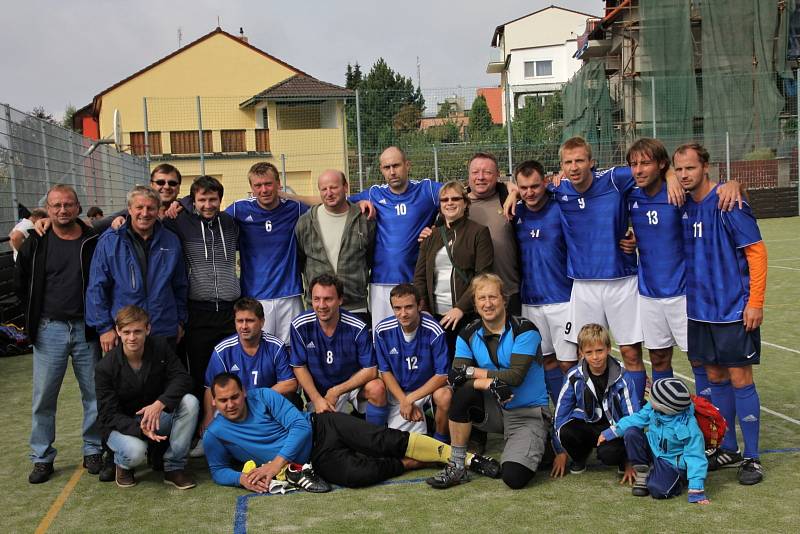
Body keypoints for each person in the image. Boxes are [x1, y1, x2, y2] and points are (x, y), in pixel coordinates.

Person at [203, 372, 500, 490]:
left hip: (322, 427)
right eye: (223, 400)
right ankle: (416, 462)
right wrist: (241, 478)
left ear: (243, 392)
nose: (230, 404)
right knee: (357, 476)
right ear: (214, 401)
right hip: (314, 461)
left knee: (384, 439)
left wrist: (275, 464)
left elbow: (298, 427)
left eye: (235, 396)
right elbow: (217, 469)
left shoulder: (263, 396)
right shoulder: (215, 433)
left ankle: (470, 459)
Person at [675, 143, 767, 485]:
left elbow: (757, 254)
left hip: (732, 310)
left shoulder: (730, 202)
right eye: (679, 169)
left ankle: (753, 457)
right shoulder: (683, 202)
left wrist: (755, 301)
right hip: (699, 311)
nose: (685, 174)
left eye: (691, 168)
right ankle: (727, 447)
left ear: (706, 168)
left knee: (741, 378)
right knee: (714, 378)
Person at [624, 138, 741, 399]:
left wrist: (734, 184)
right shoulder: (630, 194)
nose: (639, 170)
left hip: (684, 293)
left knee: (699, 360)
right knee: (658, 358)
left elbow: (714, 192)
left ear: (662, 164)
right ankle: (666, 415)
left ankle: (707, 420)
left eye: (646, 163)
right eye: (634, 164)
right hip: (649, 294)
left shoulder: (679, 195)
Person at [14, 184, 103, 484]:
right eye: (56, 206)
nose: (62, 210)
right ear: (48, 210)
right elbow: (21, 282)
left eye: (68, 205)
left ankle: (93, 449)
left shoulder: (93, 239)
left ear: (78, 207)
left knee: (93, 394)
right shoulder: (36, 242)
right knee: (44, 398)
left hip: (86, 329)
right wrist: (32, 318)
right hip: (48, 328)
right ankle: (42, 457)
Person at [428, 273, 550, 490]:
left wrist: (473, 371)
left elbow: (515, 377)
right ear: (474, 304)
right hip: (495, 409)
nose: (487, 303)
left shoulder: (525, 329)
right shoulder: (467, 332)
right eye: (481, 298)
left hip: (526, 413)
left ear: (504, 299)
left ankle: (542, 443)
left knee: (513, 477)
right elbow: (455, 376)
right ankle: (457, 465)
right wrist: (487, 383)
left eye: (493, 297)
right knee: (462, 393)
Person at [162, 175, 239, 456]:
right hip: (199, 308)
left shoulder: (231, 223)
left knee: (231, 371)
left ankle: (233, 430)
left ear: (220, 199)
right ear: (193, 201)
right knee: (199, 373)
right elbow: (153, 212)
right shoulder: (180, 221)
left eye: (213, 199)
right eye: (202, 200)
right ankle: (199, 434)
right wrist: (179, 203)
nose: (208, 205)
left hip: (229, 308)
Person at [94, 306, 198, 489]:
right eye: (126, 332)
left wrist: (160, 403)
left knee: (190, 402)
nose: (132, 337)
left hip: (154, 417)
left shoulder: (160, 347)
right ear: (118, 331)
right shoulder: (105, 367)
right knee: (136, 451)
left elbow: (183, 378)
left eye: (137, 331)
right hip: (120, 425)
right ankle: (122, 464)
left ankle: (174, 467)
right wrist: (140, 429)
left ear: (147, 329)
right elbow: (108, 415)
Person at [349, 146, 442, 331]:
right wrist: (357, 202)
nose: (392, 171)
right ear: (381, 170)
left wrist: (508, 188)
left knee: (417, 339)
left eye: (396, 165)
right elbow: (333, 201)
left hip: (415, 281)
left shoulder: (427, 190)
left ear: (407, 165)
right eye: (386, 167)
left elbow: (461, 194)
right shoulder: (374, 193)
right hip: (380, 283)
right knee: (382, 338)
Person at [86, 186, 188, 352]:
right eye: (139, 207)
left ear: (158, 210)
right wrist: (104, 328)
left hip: (163, 329)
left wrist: (179, 322)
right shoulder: (110, 242)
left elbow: (180, 285)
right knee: (127, 378)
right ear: (129, 210)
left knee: (162, 377)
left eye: (150, 208)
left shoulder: (171, 241)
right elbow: (97, 288)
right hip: (126, 332)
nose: (145, 213)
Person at [513, 160, 577, 405]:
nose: (530, 192)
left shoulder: (560, 206)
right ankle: (560, 416)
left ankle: (577, 413)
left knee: (568, 362)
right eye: (524, 187)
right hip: (530, 301)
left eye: (535, 186)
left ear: (546, 184)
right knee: (547, 360)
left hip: (562, 298)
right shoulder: (515, 212)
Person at [289, 274, 388, 425]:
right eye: (317, 299)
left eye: (328, 299)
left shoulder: (358, 327)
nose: (321, 305)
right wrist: (317, 399)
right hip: (319, 391)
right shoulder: (300, 325)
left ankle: (376, 439)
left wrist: (336, 391)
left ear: (340, 300)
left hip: (350, 385)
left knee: (377, 388)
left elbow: (371, 370)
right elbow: (299, 366)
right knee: (324, 438)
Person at [226, 162, 307, 342]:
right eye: (258, 185)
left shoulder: (295, 208)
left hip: (289, 294)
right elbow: (209, 216)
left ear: (279, 183)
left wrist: (360, 201)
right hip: (255, 296)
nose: (264, 190)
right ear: (251, 189)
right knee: (261, 349)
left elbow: (328, 201)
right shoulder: (239, 209)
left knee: (291, 350)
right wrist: (180, 206)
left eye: (268, 184)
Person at [414, 180, 493, 356]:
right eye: (444, 200)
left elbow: (483, 276)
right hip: (434, 316)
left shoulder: (478, 232)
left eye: (455, 199)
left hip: (467, 314)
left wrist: (461, 308)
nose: (449, 203)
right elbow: (419, 276)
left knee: (466, 363)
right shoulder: (431, 235)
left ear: (465, 203)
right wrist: (424, 309)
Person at [600, 378, 710, 504]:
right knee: (631, 433)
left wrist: (696, 489)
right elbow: (638, 418)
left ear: (663, 406)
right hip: (653, 449)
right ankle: (642, 472)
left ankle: (678, 481)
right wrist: (612, 431)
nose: (649, 396)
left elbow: (695, 456)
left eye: (653, 396)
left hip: (671, 462)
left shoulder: (688, 427)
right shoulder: (654, 408)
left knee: (658, 491)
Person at [551, 324, 638, 479]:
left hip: (614, 428)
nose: (595, 357)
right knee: (566, 431)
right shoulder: (574, 376)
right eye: (589, 352)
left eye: (599, 350)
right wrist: (560, 451)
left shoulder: (622, 376)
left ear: (609, 349)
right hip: (588, 424)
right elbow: (560, 416)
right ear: (581, 353)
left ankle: (621, 459)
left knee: (609, 455)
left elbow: (633, 417)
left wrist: (631, 460)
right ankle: (580, 457)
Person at [201, 297, 300, 434]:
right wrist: (208, 416)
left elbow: (290, 383)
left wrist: (255, 396)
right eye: (240, 321)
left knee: (293, 400)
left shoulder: (275, 346)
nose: (244, 326)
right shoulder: (222, 350)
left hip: (265, 406)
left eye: (250, 320)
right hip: (234, 408)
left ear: (262, 322)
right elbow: (210, 388)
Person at [295, 169, 375, 320]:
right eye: (324, 189)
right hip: (318, 308)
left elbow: (370, 257)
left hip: (355, 305)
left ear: (345, 187)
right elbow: (301, 260)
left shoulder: (363, 220)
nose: (329, 193)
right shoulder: (305, 222)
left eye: (333, 187)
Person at [374, 284, 451, 440]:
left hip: (427, 388)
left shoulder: (434, 331)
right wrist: (404, 400)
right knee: (403, 444)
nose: (403, 314)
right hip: (400, 391)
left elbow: (442, 375)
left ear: (419, 305)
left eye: (409, 307)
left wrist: (411, 399)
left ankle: (441, 440)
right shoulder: (382, 330)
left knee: (444, 396)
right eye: (397, 308)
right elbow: (384, 371)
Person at [465, 153, 521, 313]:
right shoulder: (457, 204)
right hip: (472, 298)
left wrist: (515, 191)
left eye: (487, 172)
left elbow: (535, 188)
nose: (480, 177)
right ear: (468, 176)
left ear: (498, 175)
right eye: (475, 172)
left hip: (509, 294)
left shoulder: (509, 200)